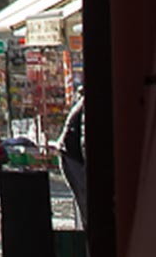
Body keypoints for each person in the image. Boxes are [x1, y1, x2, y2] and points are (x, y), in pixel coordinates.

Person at [58, 89, 86, 228]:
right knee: (86, 201)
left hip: (71, 153)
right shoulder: (86, 105)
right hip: (72, 156)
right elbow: (84, 142)